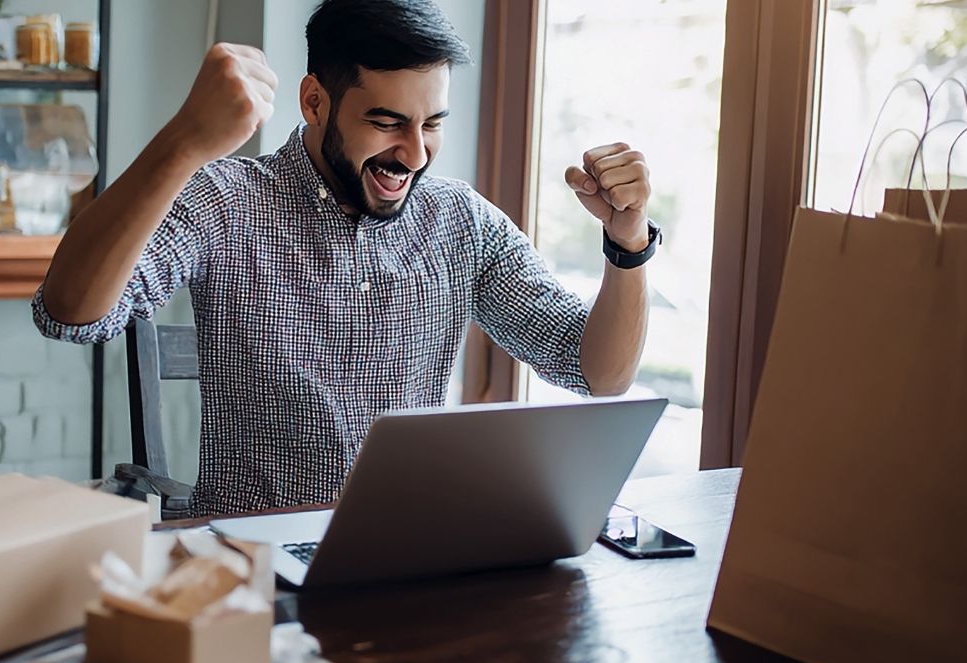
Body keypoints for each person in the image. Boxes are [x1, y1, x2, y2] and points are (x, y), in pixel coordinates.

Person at [33, 0, 658, 517]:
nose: (414, 154)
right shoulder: (222, 201)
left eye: (432, 124)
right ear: (314, 103)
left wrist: (627, 245)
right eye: (387, 123)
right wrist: (183, 142)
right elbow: (69, 315)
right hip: (252, 567)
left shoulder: (460, 222)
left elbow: (597, 374)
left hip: (407, 561)